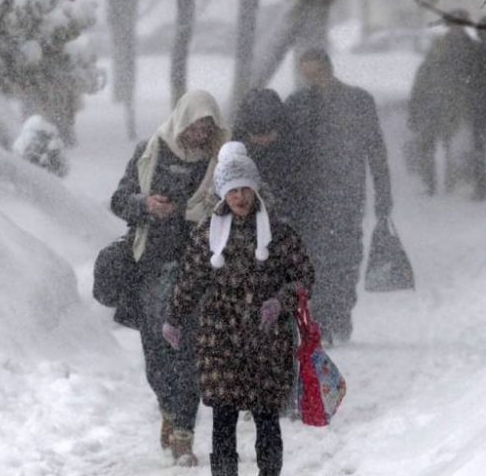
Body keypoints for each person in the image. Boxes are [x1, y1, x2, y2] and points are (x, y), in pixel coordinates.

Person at [162, 141, 314, 476]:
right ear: (222, 194)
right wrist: (174, 317)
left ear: (255, 189)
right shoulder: (208, 235)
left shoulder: (278, 233)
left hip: (267, 338)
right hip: (220, 336)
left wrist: (281, 301)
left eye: (245, 189)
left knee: (266, 416)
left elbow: (304, 277)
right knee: (223, 416)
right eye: (232, 191)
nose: (240, 198)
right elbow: (191, 279)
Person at [110, 89, 228, 466]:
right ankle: (168, 408)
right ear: (182, 121)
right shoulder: (151, 152)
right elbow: (119, 199)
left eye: (208, 126)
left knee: (188, 351)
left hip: (199, 270)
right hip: (152, 268)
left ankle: (183, 434)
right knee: (157, 355)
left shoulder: (220, 160)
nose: (200, 133)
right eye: (195, 125)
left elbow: (242, 201)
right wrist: (146, 206)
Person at [285, 48, 392, 344]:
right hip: (308, 199)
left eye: (316, 72)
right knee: (315, 259)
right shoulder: (296, 104)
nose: (313, 79)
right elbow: (286, 153)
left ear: (328, 68)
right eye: (307, 74)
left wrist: (384, 194)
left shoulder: (357, 102)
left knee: (345, 257)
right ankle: (322, 317)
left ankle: (339, 311)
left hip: (345, 195)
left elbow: (376, 150)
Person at [408, 10, 476, 195]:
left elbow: (476, 79)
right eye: (454, 23)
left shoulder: (472, 49)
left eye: (460, 23)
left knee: (453, 148)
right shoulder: (438, 45)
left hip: (458, 106)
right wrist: (415, 106)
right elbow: (423, 76)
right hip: (433, 104)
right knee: (426, 145)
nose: (457, 27)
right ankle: (430, 184)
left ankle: (450, 184)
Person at [233, 88, 303, 222]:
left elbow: (300, 190)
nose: (263, 140)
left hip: (289, 218)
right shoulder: (238, 149)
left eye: (268, 133)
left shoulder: (295, 148)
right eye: (256, 134)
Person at [470, 15, 486, 201]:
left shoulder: (475, 51)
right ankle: (480, 186)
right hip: (480, 107)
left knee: (479, 150)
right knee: (479, 149)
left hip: (479, 107)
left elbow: (469, 79)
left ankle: (481, 187)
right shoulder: (475, 51)